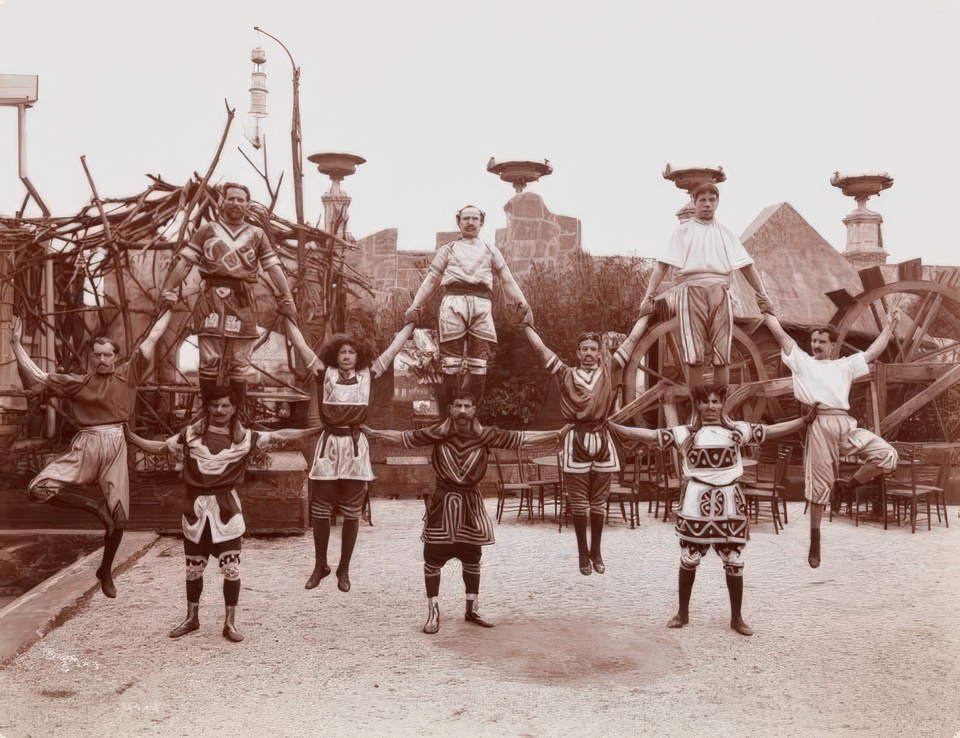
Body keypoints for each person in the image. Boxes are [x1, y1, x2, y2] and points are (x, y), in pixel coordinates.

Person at [611, 385, 814, 636]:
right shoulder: (686, 433)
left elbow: (771, 431)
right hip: (696, 501)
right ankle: (682, 614)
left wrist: (804, 421)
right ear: (697, 405)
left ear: (722, 404)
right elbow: (651, 436)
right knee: (689, 558)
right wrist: (615, 427)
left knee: (734, 560)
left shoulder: (738, 431)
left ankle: (737, 618)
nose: (710, 407)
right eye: (705, 402)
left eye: (715, 401)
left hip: (729, 501)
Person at [126, 386, 319, 642]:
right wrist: (131, 437)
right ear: (207, 407)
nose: (219, 410)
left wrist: (316, 429)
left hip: (226, 509)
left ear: (234, 408)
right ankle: (191, 618)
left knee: (231, 569)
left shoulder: (245, 438)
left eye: (225, 405)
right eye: (214, 405)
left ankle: (230, 624)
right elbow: (161, 448)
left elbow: (280, 435)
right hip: (195, 510)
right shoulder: (191, 435)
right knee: (193, 569)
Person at [365, 393, 567, 635]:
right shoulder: (437, 433)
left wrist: (558, 434)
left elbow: (522, 439)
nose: (462, 411)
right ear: (450, 409)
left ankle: (472, 609)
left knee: (472, 557)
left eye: (467, 406)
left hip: (470, 503)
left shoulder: (487, 435)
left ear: (474, 410)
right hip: (442, 503)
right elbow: (403, 438)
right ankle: (433, 611)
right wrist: (372, 433)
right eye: (458, 406)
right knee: (433, 557)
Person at [10, 311, 172, 598]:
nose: (102, 360)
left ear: (116, 357)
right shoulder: (78, 383)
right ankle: (93, 507)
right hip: (86, 445)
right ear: (91, 357)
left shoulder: (128, 374)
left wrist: (170, 306)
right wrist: (15, 344)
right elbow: (38, 375)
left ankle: (105, 570)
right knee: (37, 489)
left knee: (119, 519)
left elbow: (153, 338)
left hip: (116, 446)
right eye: (97, 355)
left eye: (107, 355)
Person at [764, 310, 900, 568]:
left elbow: (872, 352)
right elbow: (780, 335)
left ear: (833, 345)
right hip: (820, 424)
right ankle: (815, 541)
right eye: (813, 341)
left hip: (845, 423)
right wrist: (766, 309)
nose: (816, 345)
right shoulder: (803, 362)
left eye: (821, 341)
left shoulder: (844, 366)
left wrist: (891, 325)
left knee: (888, 455)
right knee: (818, 489)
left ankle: (846, 487)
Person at [158, 182, 309, 408]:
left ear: (248, 204)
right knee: (209, 361)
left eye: (240, 199)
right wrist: (167, 289)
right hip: (211, 301)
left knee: (239, 363)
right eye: (231, 198)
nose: (235, 203)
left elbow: (272, 267)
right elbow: (185, 263)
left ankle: (236, 418)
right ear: (222, 202)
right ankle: (208, 416)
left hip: (243, 301)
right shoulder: (207, 230)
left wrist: (286, 297)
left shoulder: (257, 234)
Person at [625, 182, 775, 389]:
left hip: (720, 292)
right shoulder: (682, 233)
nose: (707, 204)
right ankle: (697, 406)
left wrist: (763, 295)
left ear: (717, 202)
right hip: (691, 292)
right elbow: (661, 266)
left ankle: (720, 406)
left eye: (711, 200)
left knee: (722, 356)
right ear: (694, 202)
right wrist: (647, 296)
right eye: (702, 200)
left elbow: (747, 267)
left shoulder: (726, 234)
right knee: (693, 356)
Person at [402, 205, 533, 409]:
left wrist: (523, 303)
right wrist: (415, 305)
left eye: (474, 218)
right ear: (458, 222)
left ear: (481, 222)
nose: (470, 222)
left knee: (479, 364)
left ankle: (473, 414)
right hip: (453, 304)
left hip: (481, 305)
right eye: (466, 218)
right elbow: (432, 279)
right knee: (450, 364)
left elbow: (506, 278)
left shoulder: (490, 250)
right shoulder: (448, 249)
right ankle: (450, 414)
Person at [524, 327, 626, 576]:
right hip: (576, 439)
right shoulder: (565, 374)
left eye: (593, 349)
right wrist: (526, 326)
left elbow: (632, 342)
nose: (589, 353)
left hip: (601, 439)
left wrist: (646, 315)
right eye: (584, 349)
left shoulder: (609, 371)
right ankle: (582, 553)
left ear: (599, 352)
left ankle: (596, 551)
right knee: (579, 503)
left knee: (599, 503)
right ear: (578, 353)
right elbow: (542, 350)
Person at [303, 333, 397, 593]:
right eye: (342, 352)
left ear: (359, 356)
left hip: (355, 447)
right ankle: (320, 565)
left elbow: (390, 352)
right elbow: (302, 346)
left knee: (352, 511)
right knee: (320, 508)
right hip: (329, 445)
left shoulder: (368, 375)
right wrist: (287, 318)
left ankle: (343, 569)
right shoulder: (325, 374)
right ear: (335, 355)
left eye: (351, 352)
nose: (346, 356)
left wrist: (411, 325)